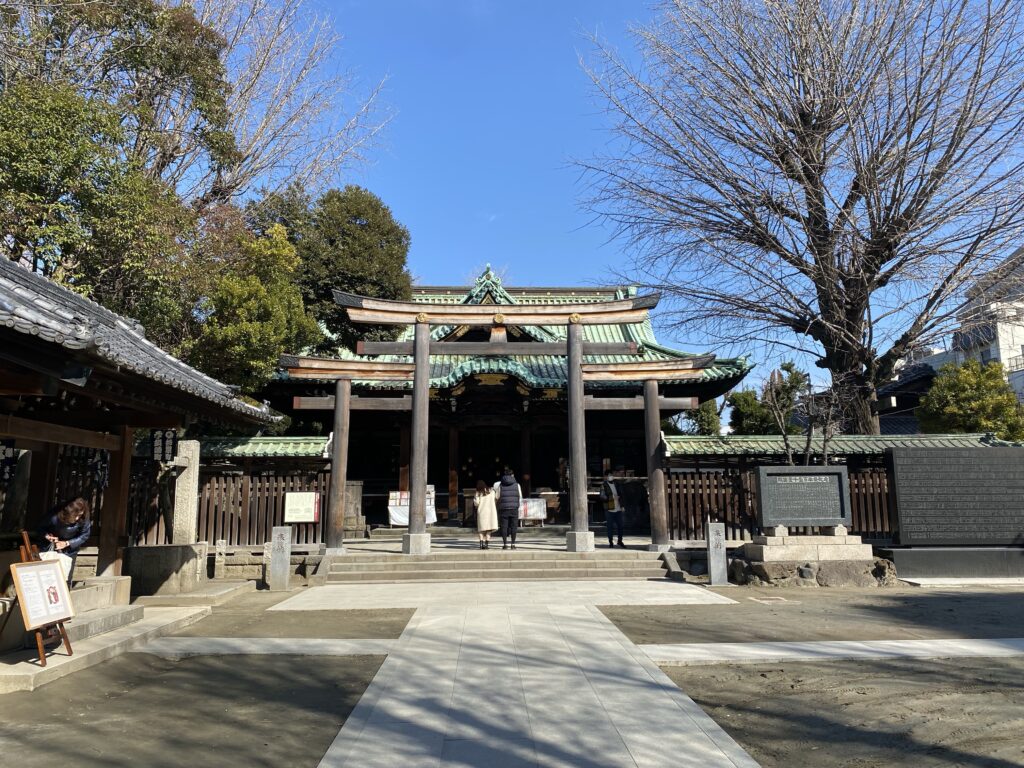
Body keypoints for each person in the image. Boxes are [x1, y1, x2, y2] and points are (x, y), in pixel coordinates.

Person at [38, 496, 91, 584]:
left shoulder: (84, 518)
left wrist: (67, 543)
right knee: (47, 579)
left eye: (80, 515)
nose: (77, 518)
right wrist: (47, 536)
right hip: (50, 549)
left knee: (65, 579)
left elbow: (85, 535)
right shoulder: (55, 515)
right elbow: (40, 528)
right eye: (75, 515)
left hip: (70, 550)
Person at [495, 467, 522, 550]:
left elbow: (497, 496)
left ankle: (505, 544)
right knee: (514, 526)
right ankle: (513, 544)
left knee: (504, 526)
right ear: (512, 475)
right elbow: (520, 496)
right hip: (514, 508)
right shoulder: (517, 485)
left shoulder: (501, 485)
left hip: (504, 508)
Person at [601, 473, 625, 548]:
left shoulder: (617, 484)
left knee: (620, 526)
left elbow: (621, 495)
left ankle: (620, 541)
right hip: (609, 509)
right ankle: (610, 542)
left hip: (618, 509)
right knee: (610, 527)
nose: (610, 477)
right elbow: (602, 496)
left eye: (611, 475)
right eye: (608, 475)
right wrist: (611, 498)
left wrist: (623, 505)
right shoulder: (603, 485)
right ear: (606, 477)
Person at [473, 479, 498, 549]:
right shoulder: (492, 491)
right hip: (491, 513)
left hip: (482, 513)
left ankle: (481, 544)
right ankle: (486, 544)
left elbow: (476, 503)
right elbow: (496, 498)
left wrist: (475, 499)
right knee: (489, 530)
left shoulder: (478, 493)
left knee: (481, 529)